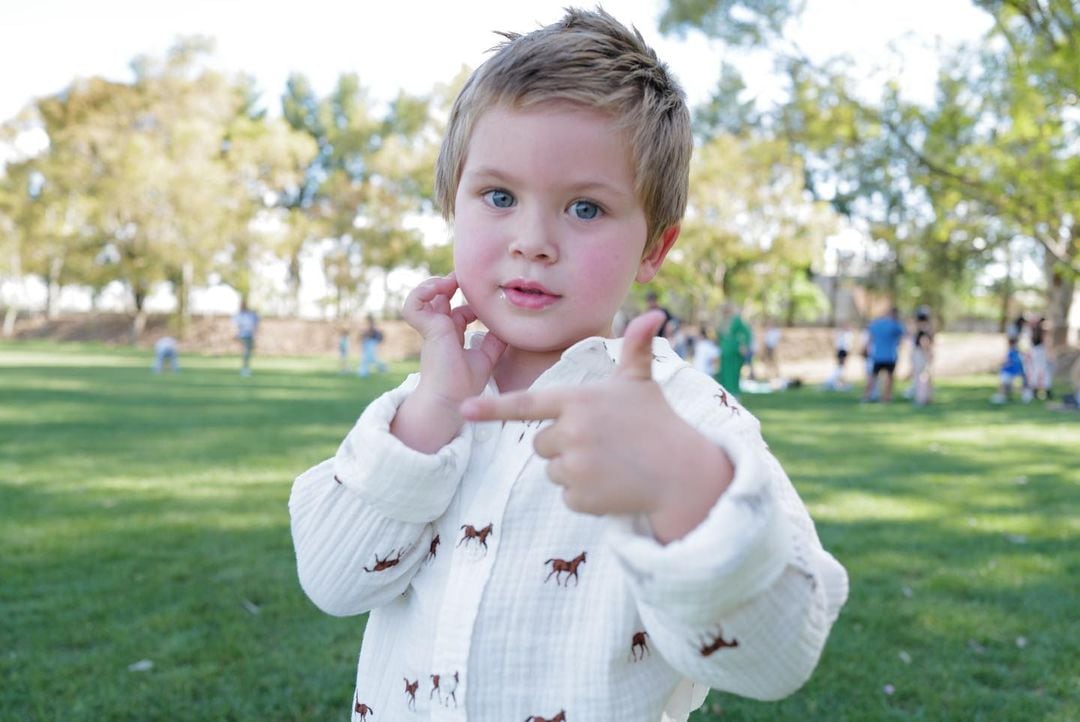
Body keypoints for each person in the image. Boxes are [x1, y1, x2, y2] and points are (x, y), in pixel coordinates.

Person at [289, 10, 847, 721]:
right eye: (498, 196)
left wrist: (688, 488)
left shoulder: (685, 421)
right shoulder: (421, 405)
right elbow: (334, 581)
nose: (533, 240)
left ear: (654, 248)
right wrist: (430, 417)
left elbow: (777, 657)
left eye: (585, 208)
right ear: (451, 202)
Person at [861, 307, 906, 403]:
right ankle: (886, 398)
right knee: (889, 378)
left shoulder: (876, 324)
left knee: (873, 377)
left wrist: (865, 349)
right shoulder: (894, 324)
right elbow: (903, 336)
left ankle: (866, 396)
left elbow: (869, 338)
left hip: (877, 355)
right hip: (890, 355)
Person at [717, 304, 751, 395]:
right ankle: (725, 394)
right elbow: (720, 337)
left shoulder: (736, 320)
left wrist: (743, 345)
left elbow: (746, 333)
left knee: (734, 375)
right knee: (724, 375)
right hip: (725, 354)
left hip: (734, 352)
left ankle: (734, 394)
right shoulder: (722, 322)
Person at [992, 337, 1030, 404]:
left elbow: (1010, 362)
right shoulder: (1016, 352)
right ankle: (1004, 396)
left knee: (1005, 385)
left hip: (1009, 372)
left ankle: (1001, 397)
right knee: (1008, 386)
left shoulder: (1013, 352)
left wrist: (1003, 365)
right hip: (1012, 372)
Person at [910, 307, 934, 405]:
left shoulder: (922, 330)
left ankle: (922, 398)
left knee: (922, 376)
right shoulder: (925, 329)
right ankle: (924, 397)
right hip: (921, 354)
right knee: (924, 376)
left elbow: (924, 342)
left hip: (920, 354)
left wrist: (928, 354)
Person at [234, 300, 259, 377]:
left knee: (247, 353)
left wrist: (255, 335)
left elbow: (255, 325)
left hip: (249, 335)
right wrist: (236, 334)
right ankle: (245, 369)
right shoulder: (239, 315)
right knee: (246, 352)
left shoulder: (251, 315)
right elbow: (237, 326)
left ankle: (245, 368)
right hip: (243, 336)